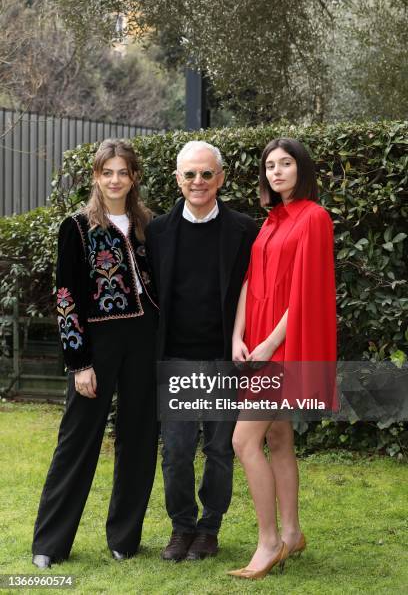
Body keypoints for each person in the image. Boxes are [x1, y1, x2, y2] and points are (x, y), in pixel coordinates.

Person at [32, 139, 159, 568]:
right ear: (96, 177)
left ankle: (125, 538)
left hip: (144, 340)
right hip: (97, 344)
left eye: (123, 172)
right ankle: (50, 545)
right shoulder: (78, 226)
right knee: (77, 441)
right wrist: (79, 362)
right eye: (108, 172)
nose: (115, 180)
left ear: (134, 178)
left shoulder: (147, 224)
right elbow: (65, 297)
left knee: (139, 439)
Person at [228, 138, 337, 579]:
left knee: (243, 441)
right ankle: (291, 533)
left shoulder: (314, 218)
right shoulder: (270, 221)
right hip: (257, 343)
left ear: (301, 169)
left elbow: (307, 292)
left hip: (283, 348)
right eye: (270, 165)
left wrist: (270, 344)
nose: (276, 172)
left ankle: (269, 542)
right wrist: (238, 334)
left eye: (286, 164)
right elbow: (251, 283)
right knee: (278, 439)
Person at [145, 141, 258, 561]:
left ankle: (209, 529)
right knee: (175, 452)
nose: (198, 182)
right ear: (177, 179)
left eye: (206, 174)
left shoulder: (245, 230)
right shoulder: (156, 231)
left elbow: (256, 292)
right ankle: (181, 528)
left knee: (218, 451)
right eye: (190, 174)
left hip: (222, 359)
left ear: (221, 178)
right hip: (175, 359)